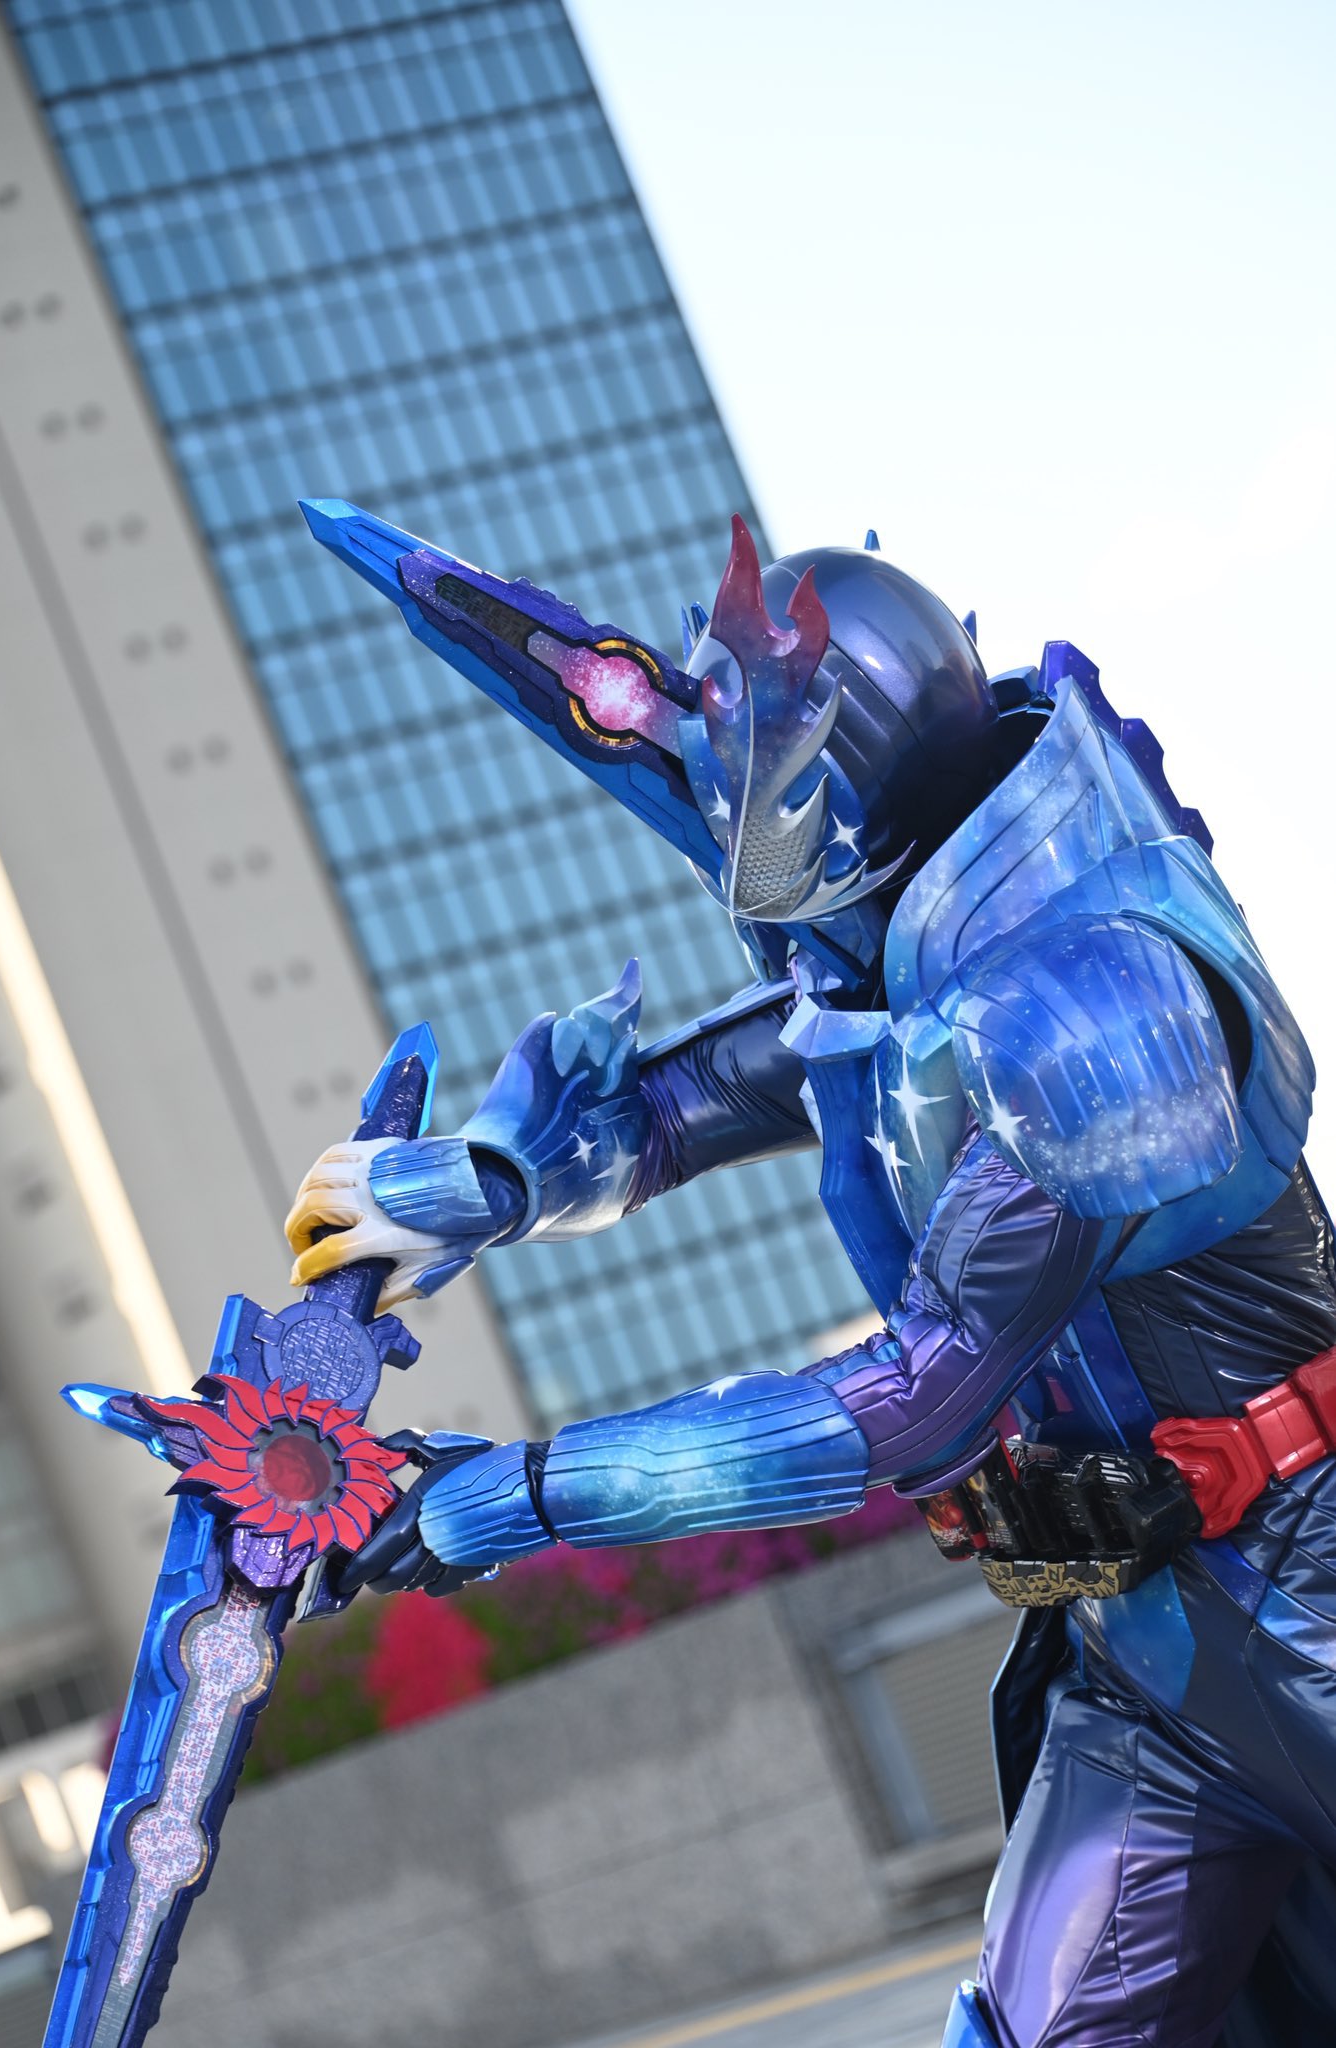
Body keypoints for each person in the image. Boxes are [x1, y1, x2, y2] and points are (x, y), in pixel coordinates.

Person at [285, 499, 1336, 2047]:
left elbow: (912, 1403)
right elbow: (691, 1100)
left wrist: (500, 1499)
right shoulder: (912, 969)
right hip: (1154, 1675)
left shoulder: (1095, 1004)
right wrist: (490, 1188)